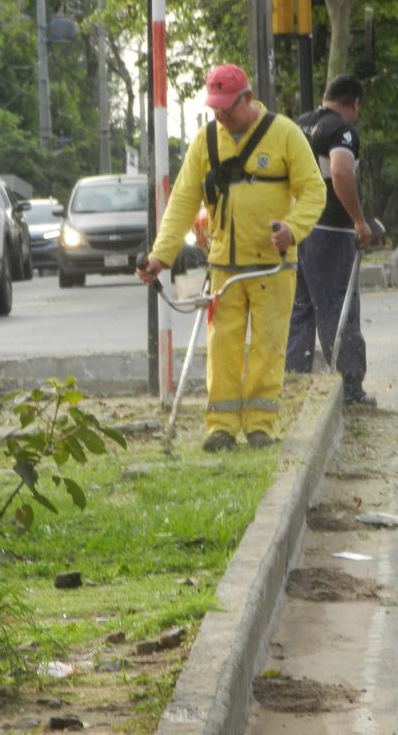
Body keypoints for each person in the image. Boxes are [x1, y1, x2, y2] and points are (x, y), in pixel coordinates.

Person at [137, 64, 326, 452]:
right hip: (224, 266)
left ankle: (260, 426)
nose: (220, 115)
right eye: (215, 108)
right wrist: (161, 257)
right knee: (222, 348)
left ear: (248, 98)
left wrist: (293, 228)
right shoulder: (206, 141)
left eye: (227, 107)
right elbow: (183, 202)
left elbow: (313, 191)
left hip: (274, 265)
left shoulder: (285, 134)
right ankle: (220, 428)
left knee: (268, 347)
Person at [285, 74, 376, 407]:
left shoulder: (297, 126)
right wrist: (358, 220)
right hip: (331, 231)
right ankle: (349, 388)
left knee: (300, 310)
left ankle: (294, 383)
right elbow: (340, 172)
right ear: (355, 104)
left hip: (295, 229)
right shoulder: (341, 131)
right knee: (338, 308)